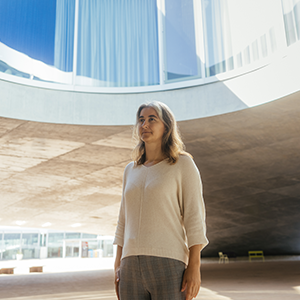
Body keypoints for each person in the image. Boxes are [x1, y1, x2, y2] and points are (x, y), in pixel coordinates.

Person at [113, 101, 208, 300]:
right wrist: (118, 264)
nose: (144, 125)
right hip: (129, 266)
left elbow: (194, 217)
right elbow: (123, 220)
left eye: (151, 119)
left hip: (169, 264)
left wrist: (194, 266)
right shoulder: (130, 170)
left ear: (166, 126)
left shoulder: (183, 164)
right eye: (141, 120)